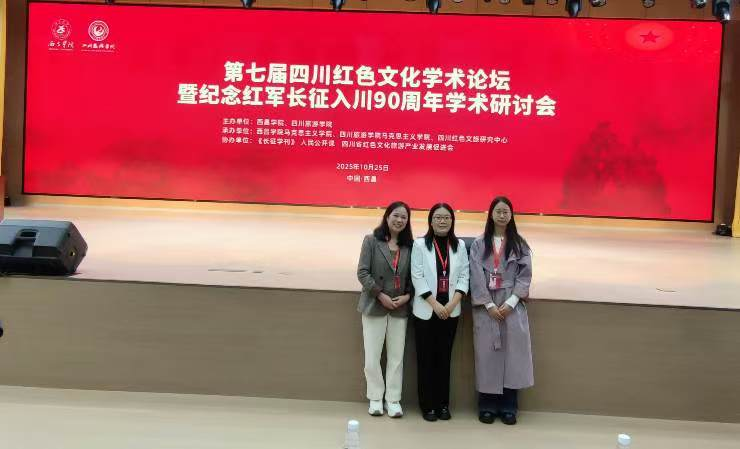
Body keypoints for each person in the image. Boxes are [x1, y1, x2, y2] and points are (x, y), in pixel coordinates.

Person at [468, 196, 533, 425]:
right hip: (486, 306)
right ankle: (486, 405)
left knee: (513, 356)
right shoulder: (479, 244)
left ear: (511, 215)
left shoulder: (520, 244)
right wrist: (488, 304)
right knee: (487, 356)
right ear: (491, 214)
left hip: (511, 304)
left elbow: (525, 276)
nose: (502, 215)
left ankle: (509, 406)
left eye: (506, 211)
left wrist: (512, 301)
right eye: (498, 211)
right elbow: (475, 275)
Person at [410, 203, 469, 422]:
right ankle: (428, 406)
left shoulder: (459, 245)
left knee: (444, 359)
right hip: (426, 310)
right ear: (431, 221)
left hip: (450, 311)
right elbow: (417, 276)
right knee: (425, 359)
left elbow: (464, 275)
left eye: (446, 218)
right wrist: (435, 304)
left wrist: (452, 304)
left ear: (452, 221)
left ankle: (443, 404)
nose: (442, 221)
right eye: (438, 217)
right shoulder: (419, 244)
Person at [356, 201, 414, 418]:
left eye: (404, 217)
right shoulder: (371, 241)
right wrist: (380, 295)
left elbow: (414, 277)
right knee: (372, 356)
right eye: (395, 215)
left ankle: (393, 399)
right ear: (387, 216)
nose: (399, 220)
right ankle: (375, 397)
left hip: (399, 308)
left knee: (396, 357)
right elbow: (363, 273)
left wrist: (407, 296)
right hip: (375, 305)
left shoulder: (410, 246)